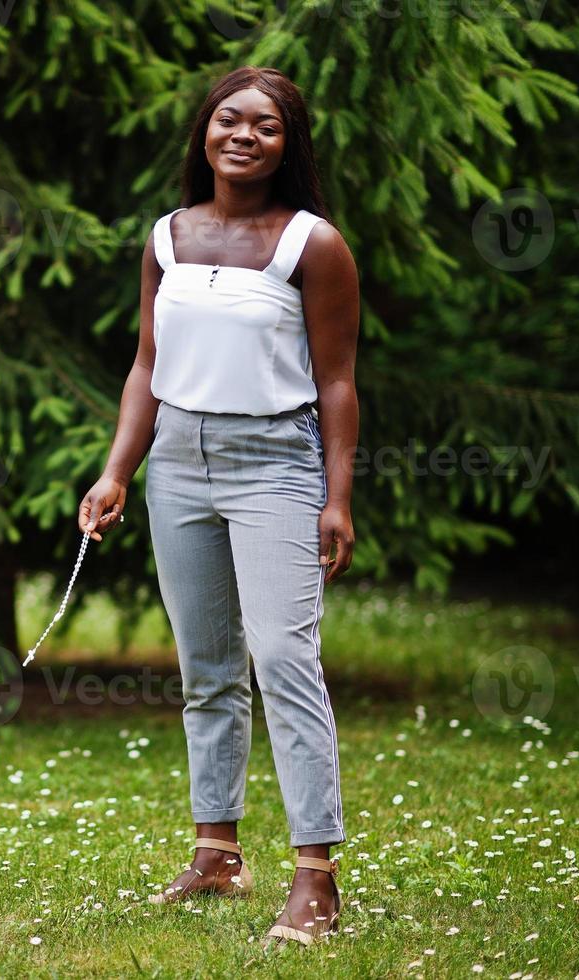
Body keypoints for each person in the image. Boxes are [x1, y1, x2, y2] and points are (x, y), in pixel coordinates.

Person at [77, 65, 360, 952]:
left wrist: (336, 497)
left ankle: (315, 878)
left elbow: (338, 381)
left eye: (266, 126)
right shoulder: (166, 236)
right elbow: (143, 363)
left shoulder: (311, 244)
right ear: (204, 131)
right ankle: (216, 853)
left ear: (288, 144)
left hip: (274, 462)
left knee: (283, 661)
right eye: (229, 120)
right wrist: (116, 471)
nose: (244, 135)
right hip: (179, 464)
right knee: (206, 668)